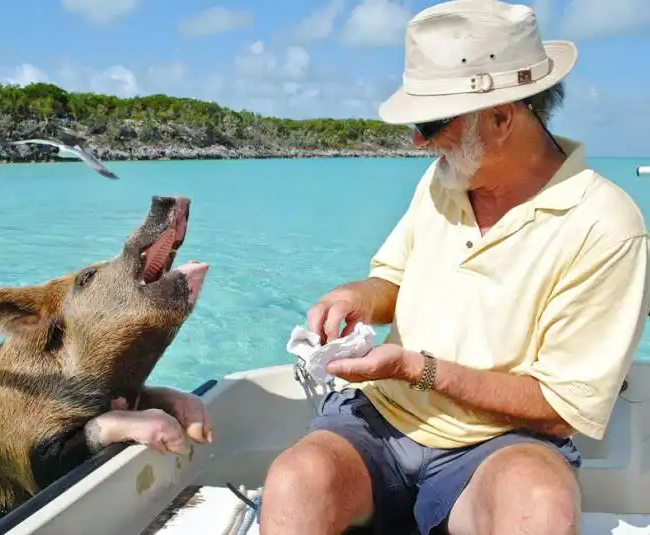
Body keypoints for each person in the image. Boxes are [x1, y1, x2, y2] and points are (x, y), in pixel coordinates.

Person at [259, 1, 650, 535]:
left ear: (502, 117)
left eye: (430, 122)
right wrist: (353, 297)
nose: (418, 141)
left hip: (501, 443)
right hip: (381, 422)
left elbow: (561, 411)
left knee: (538, 502)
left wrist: (413, 368)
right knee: (294, 481)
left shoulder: (607, 226)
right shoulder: (443, 180)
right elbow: (390, 281)